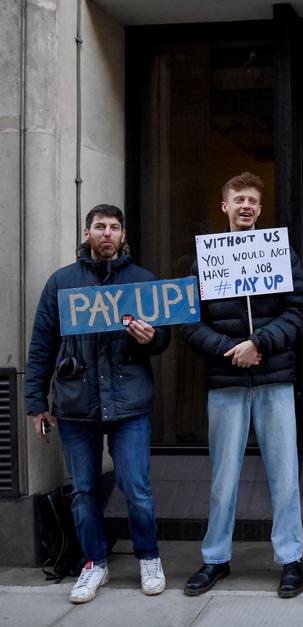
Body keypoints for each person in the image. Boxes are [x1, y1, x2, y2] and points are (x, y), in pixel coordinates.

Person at [25, 204, 170, 603]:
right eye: (99, 227)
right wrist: (36, 402)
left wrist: (150, 338)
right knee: (84, 490)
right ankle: (94, 564)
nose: (107, 233)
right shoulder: (61, 282)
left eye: (114, 227)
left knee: (137, 487)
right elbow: (42, 345)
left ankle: (148, 556)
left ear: (124, 236)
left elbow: (163, 340)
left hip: (129, 403)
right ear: (87, 233)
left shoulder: (142, 282)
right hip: (75, 405)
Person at [181, 172, 303, 598]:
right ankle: (215, 558)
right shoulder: (204, 259)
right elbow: (189, 321)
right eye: (239, 200)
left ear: (260, 208)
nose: (246, 206)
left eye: (253, 200)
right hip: (226, 381)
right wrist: (231, 348)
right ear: (225, 207)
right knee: (223, 478)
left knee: (284, 474)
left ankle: (291, 559)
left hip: (273, 379)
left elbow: (296, 311)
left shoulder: (281, 254)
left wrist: (259, 343)